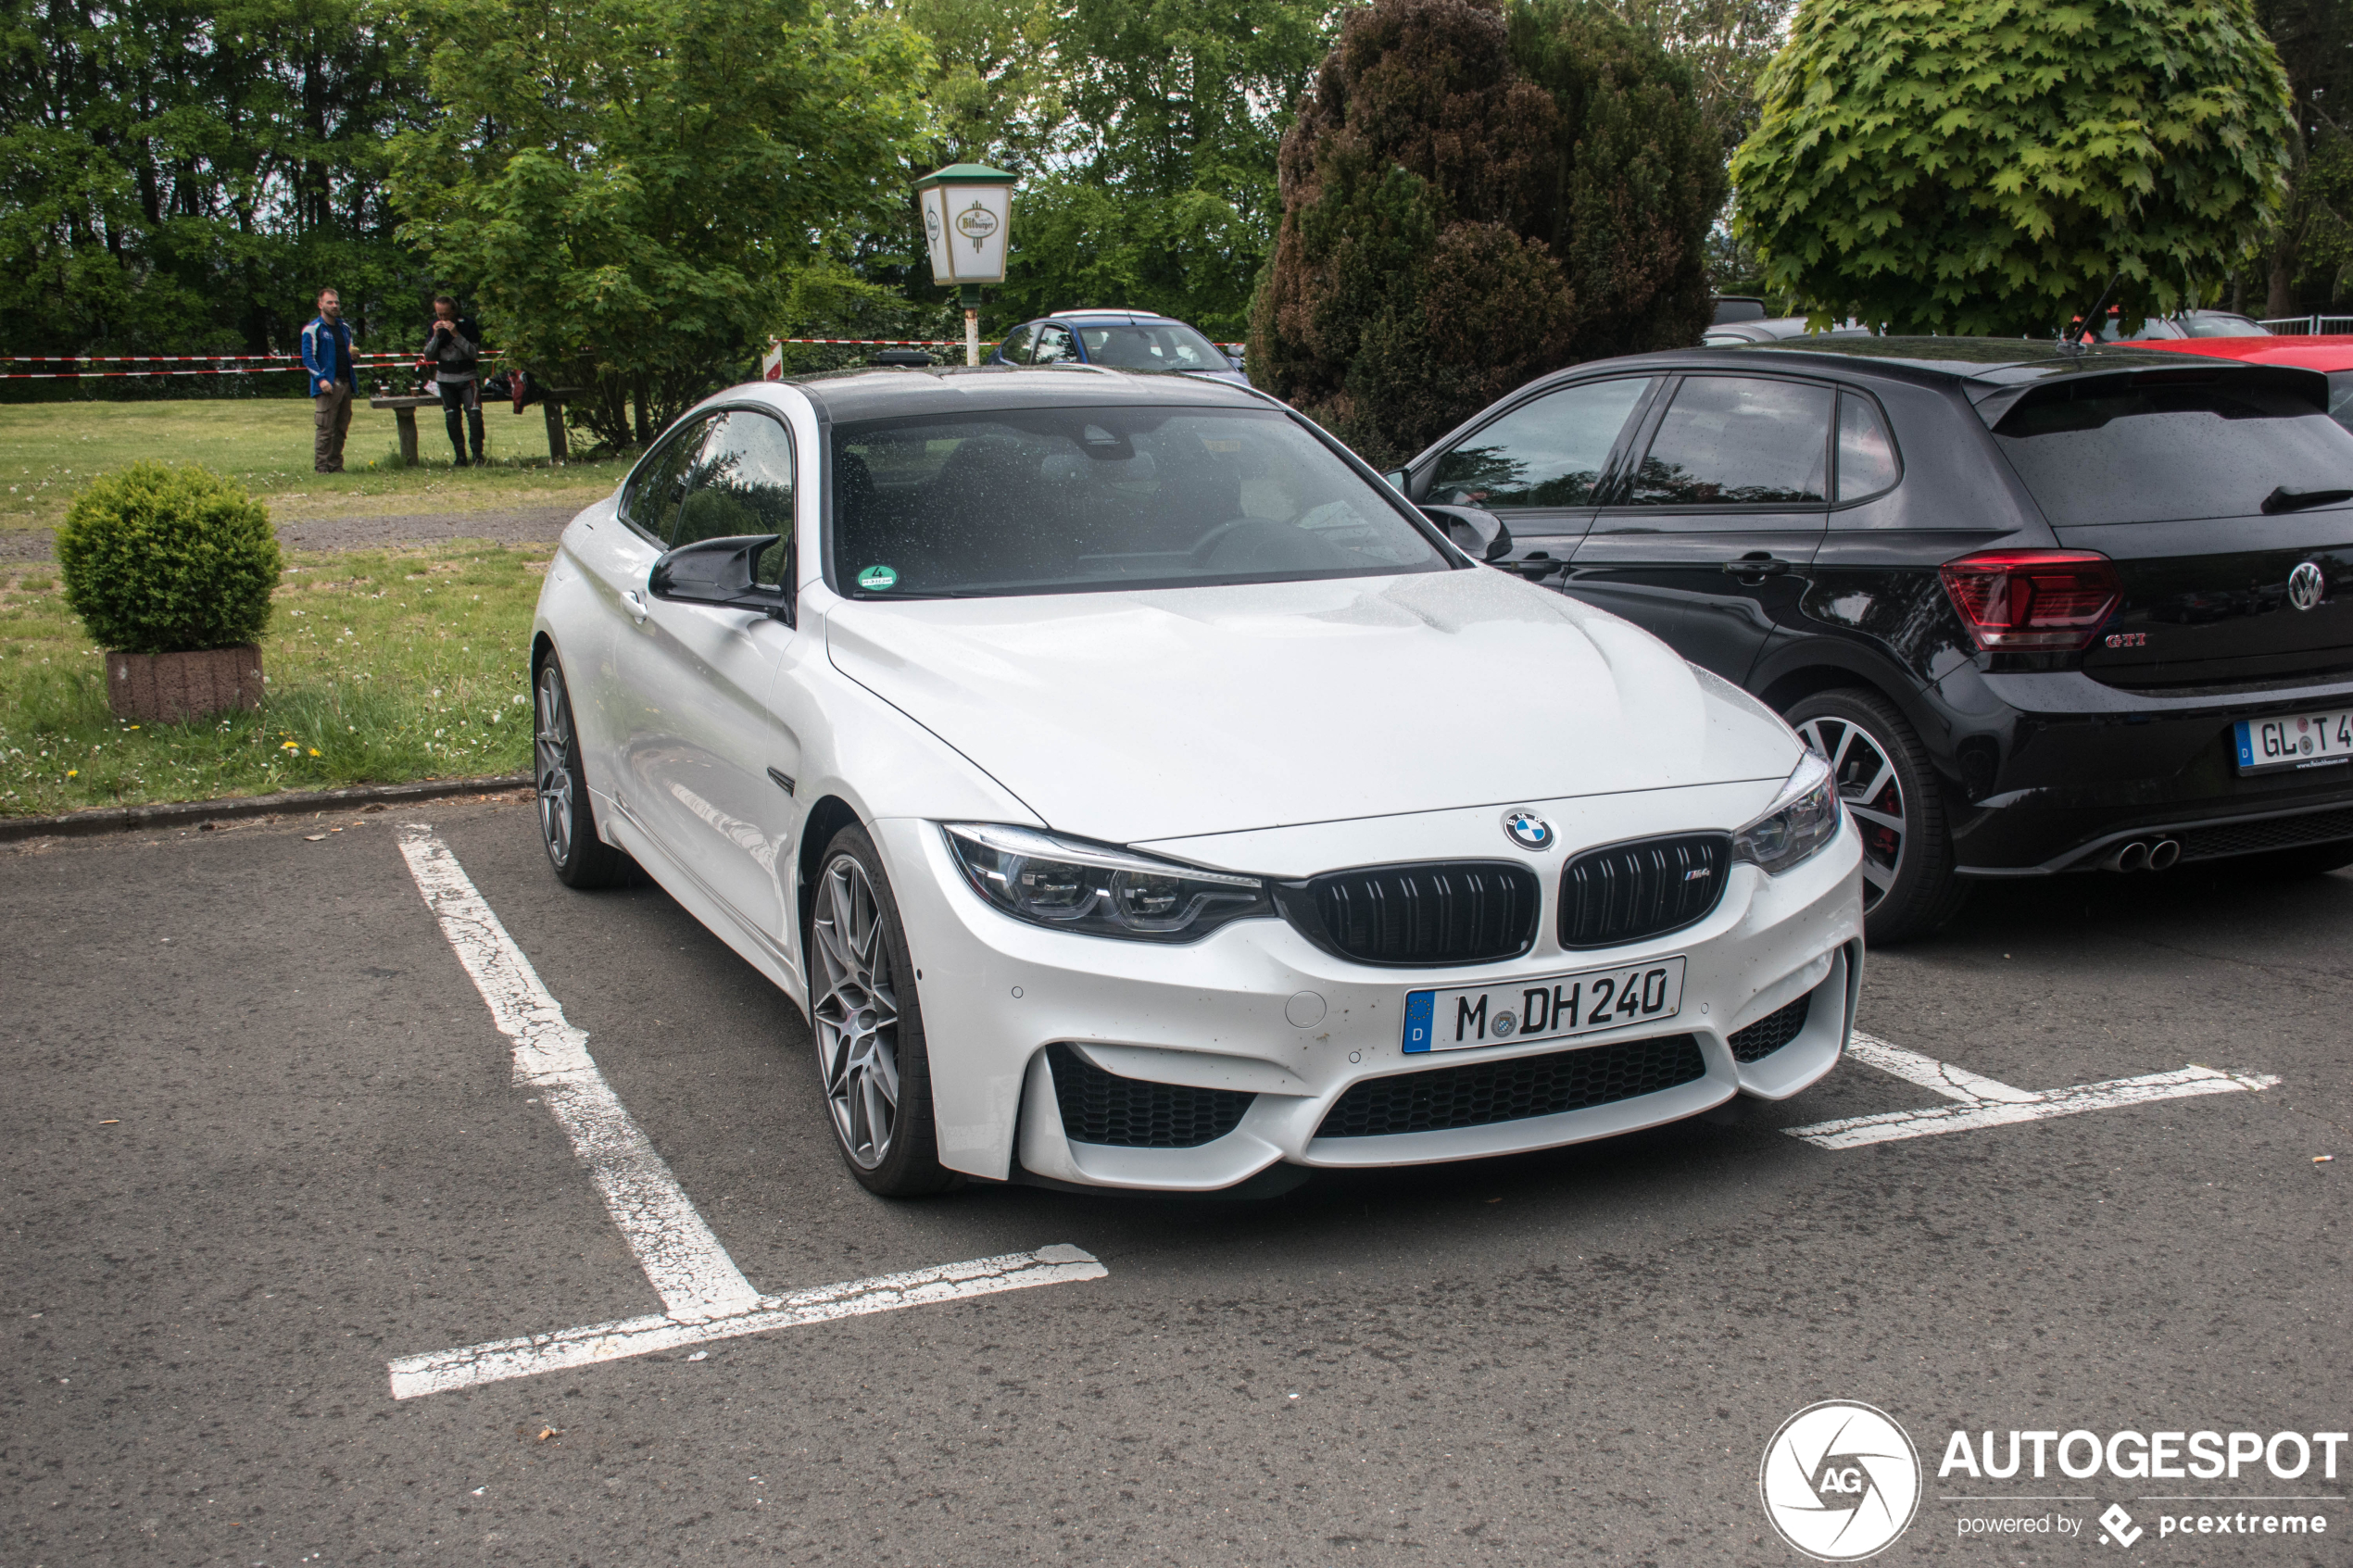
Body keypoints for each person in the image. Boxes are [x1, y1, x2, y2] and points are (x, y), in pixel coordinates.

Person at [419, 295, 485, 466]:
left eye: (446, 315)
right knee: (452, 418)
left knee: (474, 416)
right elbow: (428, 355)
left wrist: (456, 334)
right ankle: (460, 457)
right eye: (439, 315)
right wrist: (436, 336)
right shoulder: (435, 327)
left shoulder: (468, 324)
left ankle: (478, 455)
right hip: (445, 378)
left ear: (454, 312)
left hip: (467, 376)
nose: (442, 319)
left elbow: (473, 353)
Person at [300, 288, 356, 473]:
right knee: (325, 428)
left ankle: (336, 465)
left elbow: (347, 353)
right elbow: (308, 358)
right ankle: (322, 467)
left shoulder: (345, 328)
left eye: (336, 302)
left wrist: (354, 356)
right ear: (320, 305)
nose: (334, 306)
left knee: (341, 428)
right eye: (330, 302)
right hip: (327, 386)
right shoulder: (312, 329)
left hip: (345, 382)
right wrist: (321, 379)